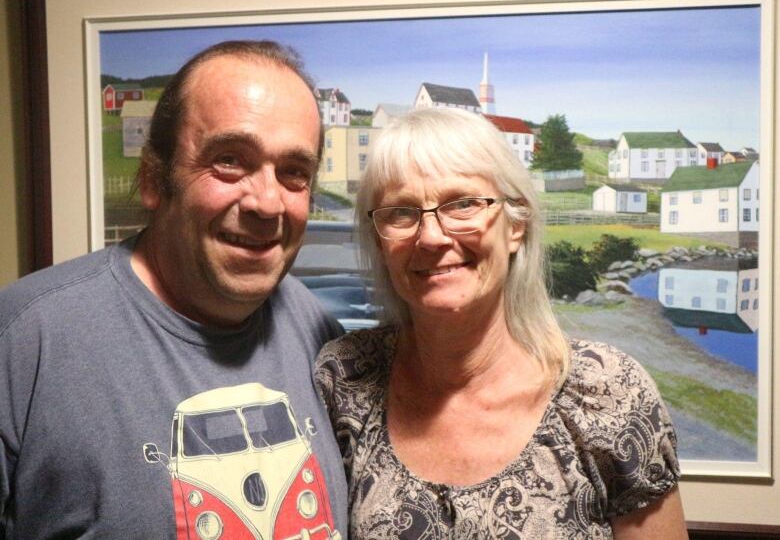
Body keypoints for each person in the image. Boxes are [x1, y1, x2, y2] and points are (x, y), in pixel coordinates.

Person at [0, 41, 346, 539]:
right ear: (152, 179)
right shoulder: (25, 340)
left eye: (294, 172)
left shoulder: (316, 330)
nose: (268, 203)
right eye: (229, 160)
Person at [315, 108, 687, 539]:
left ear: (515, 225)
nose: (432, 237)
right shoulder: (344, 382)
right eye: (401, 212)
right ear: (380, 243)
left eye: (463, 203)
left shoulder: (609, 395)